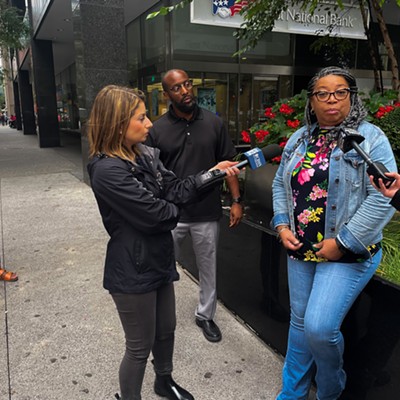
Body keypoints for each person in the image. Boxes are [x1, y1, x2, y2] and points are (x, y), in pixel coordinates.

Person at [86, 85, 239, 400]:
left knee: (166, 330)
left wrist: (212, 174)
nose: (150, 124)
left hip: (159, 258)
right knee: (139, 346)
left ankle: (163, 381)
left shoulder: (144, 154)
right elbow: (159, 215)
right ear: (117, 124)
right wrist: (169, 203)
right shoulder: (106, 170)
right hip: (131, 269)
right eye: (141, 118)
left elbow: (178, 189)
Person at [271, 66, 397, 400]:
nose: (332, 100)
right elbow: (280, 183)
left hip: (349, 252)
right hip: (301, 248)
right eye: (322, 93)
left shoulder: (370, 138)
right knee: (299, 327)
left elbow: (384, 199)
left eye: (340, 92)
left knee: (320, 328)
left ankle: (331, 388)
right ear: (311, 100)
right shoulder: (300, 138)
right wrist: (282, 224)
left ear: (352, 97)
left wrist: (342, 243)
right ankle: (291, 394)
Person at [147, 69, 243, 343]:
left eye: (187, 84)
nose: (185, 90)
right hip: (172, 214)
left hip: (206, 211)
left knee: (208, 268)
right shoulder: (156, 130)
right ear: (166, 95)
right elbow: (151, 174)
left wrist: (236, 201)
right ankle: (159, 317)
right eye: (176, 88)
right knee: (163, 266)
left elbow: (229, 165)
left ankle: (205, 315)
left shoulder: (214, 123)